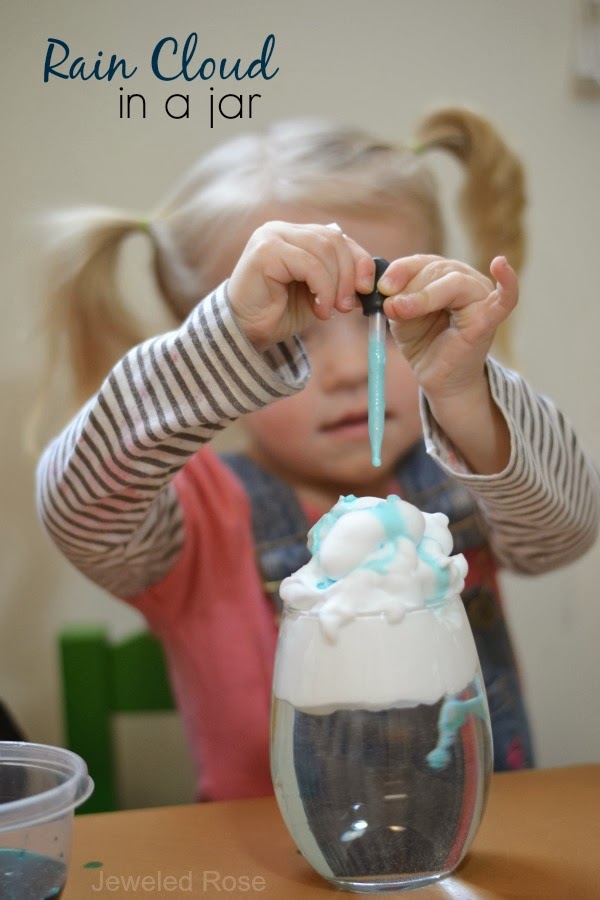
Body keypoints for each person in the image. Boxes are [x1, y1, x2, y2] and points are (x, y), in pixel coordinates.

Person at [35, 108, 599, 802]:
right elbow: (76, 508)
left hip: (477, 853)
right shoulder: (196, 518)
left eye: (384, 324)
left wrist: (469, 394)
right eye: (288, 339)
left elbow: (566, 533)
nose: (346, 372)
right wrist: (226, 335)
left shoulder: (463, 473)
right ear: (222, 357)